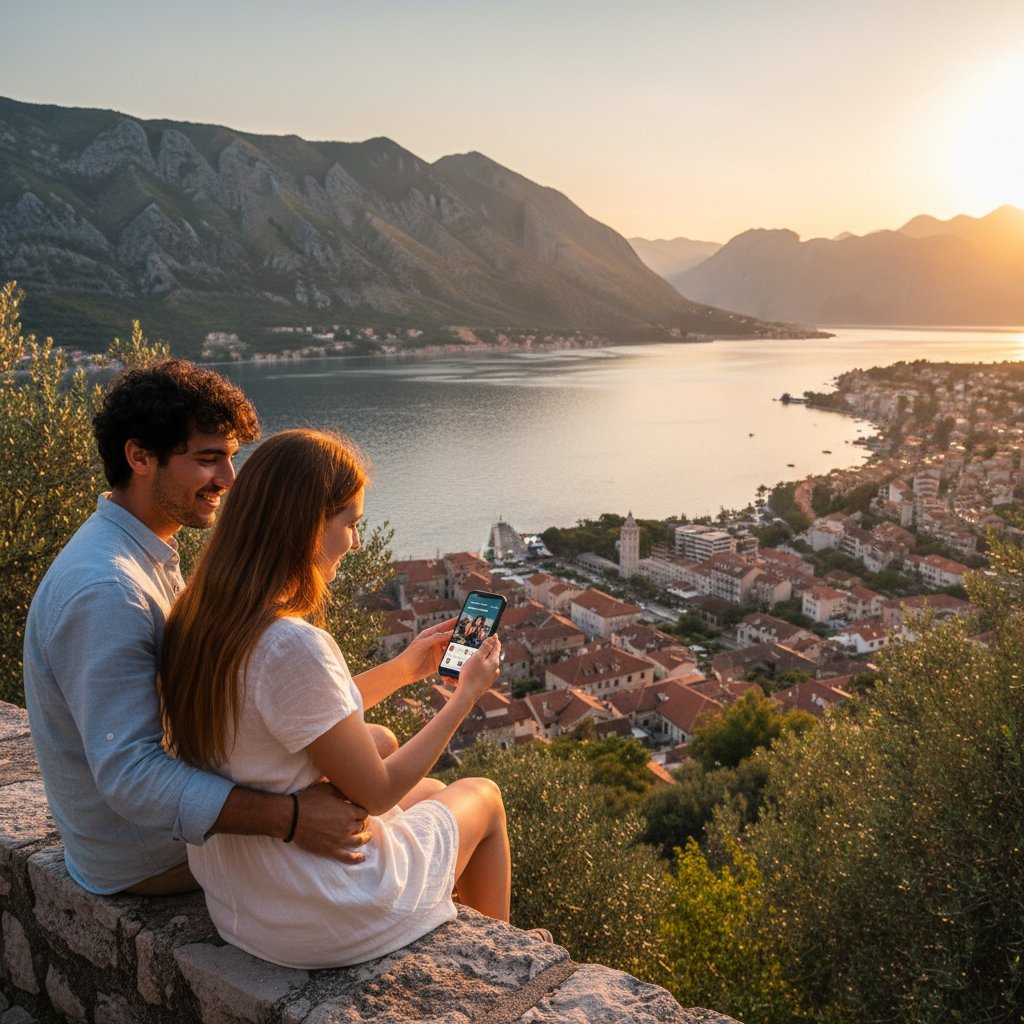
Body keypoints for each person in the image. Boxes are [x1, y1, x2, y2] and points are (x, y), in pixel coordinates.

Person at [158, 428, 513, 968]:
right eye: (349, 524)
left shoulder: (197, 616)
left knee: (433, 788)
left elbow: (300, 713)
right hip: (320, 911)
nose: (353, 542)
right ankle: (502, 968)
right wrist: (463, 697)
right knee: (482, 795)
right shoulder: (290, 642)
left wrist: (401, 669)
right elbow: (374, 793)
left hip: (244, 903)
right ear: (307, 526)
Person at [23, 360, 371, 898]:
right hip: (146, 857)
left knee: (378, 756)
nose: (230, 481)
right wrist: (292, 817)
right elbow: (131, 776)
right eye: (209, 460)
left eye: (231, 460)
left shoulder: (146, 553)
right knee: (408, 808)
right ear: (140, 456)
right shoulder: (107, 590)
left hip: (152, 837)